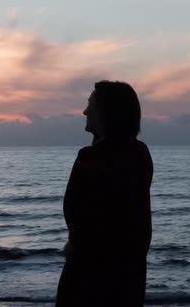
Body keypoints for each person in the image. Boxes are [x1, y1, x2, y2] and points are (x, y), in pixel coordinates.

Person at [55, 80, 153, 306]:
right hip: (129, 273)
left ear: (106, 112)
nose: (84, 111)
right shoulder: (139, 153)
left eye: (90, 105)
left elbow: (77, 213)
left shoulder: (90, 158)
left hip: (89, 271)